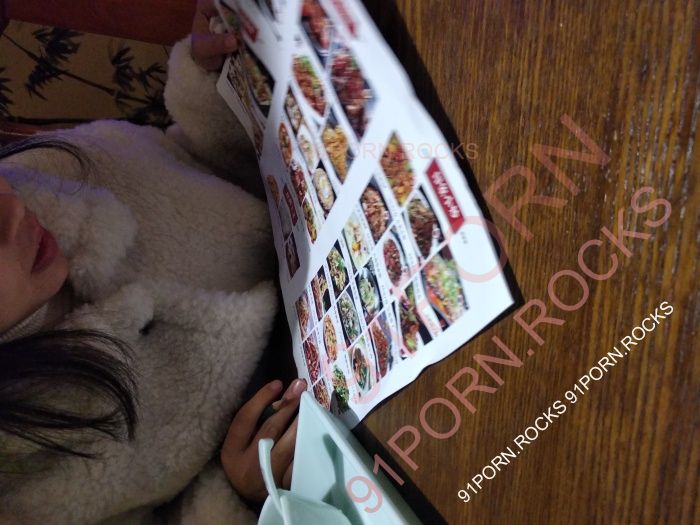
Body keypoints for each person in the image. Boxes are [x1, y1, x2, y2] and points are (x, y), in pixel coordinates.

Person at [0, 1, 303, 523]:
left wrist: (218, 83)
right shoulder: (23, 484)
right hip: (338, 425)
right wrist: (244, 493)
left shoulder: (38, 171)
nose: (11, 206)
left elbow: (191, 160)